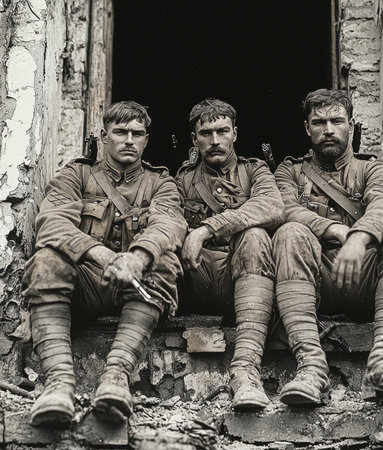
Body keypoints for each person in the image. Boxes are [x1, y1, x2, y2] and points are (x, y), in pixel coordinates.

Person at [22, 101, 186, 426]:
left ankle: (116, 377)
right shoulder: (76, 174)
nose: (129, 140)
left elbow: (168, 224)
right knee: (46, 260)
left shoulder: (161, 183)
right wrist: (103, 255)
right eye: (120, 132)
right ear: (104, 136)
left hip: (136, 286)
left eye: (137, 134)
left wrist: (138, 258)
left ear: (146, 140)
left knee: (164, 260)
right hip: (85, 283)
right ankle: (58, 385)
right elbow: (52, 223)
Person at [272, 89, 383, 406]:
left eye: (337, 121)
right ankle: (311, 369)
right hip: (311, 283)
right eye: (319, 122)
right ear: (307, 128)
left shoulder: (370, 169)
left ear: (352, 125)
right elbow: (283, 209)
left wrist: (360, 237)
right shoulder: (289, 172)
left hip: (365, 280)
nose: (328, 130)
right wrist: (333, 229)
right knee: (289, 232)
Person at [176, 98, 284, 410]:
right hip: (197, 276)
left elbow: (273, 206)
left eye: (222, 131)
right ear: (194, 139)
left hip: (247, 280)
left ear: (235, 133)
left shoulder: (255, 170)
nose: (215, 140)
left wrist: (206, 229)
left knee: (254, 235)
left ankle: (246, 372)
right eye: (205, 133)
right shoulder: (181, 180)